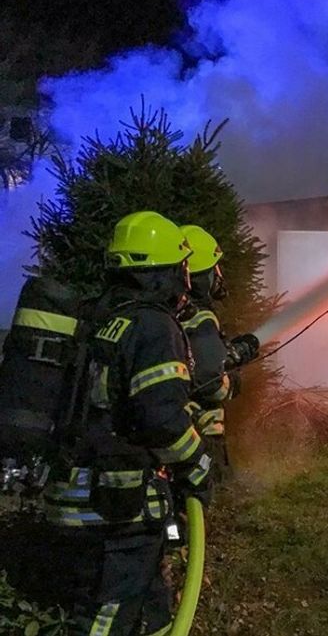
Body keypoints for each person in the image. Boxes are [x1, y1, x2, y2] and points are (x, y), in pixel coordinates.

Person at [41, 211, 212, 636]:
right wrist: (198, 463)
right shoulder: (152, 325)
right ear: (165, 271)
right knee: (107, 617)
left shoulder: (96, 316)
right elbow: (161, 418)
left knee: (149, 609)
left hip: (74, 493)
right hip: (116, 507)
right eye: (181, 267)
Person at [178, 225, 239, 481]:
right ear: (202, 277)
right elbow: (212, 385)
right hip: (199, 435)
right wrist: (231, 378)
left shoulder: (170, 312)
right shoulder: (200, 319)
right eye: (214, 269)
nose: (218, 275)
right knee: (207, 486)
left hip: (173, 433)